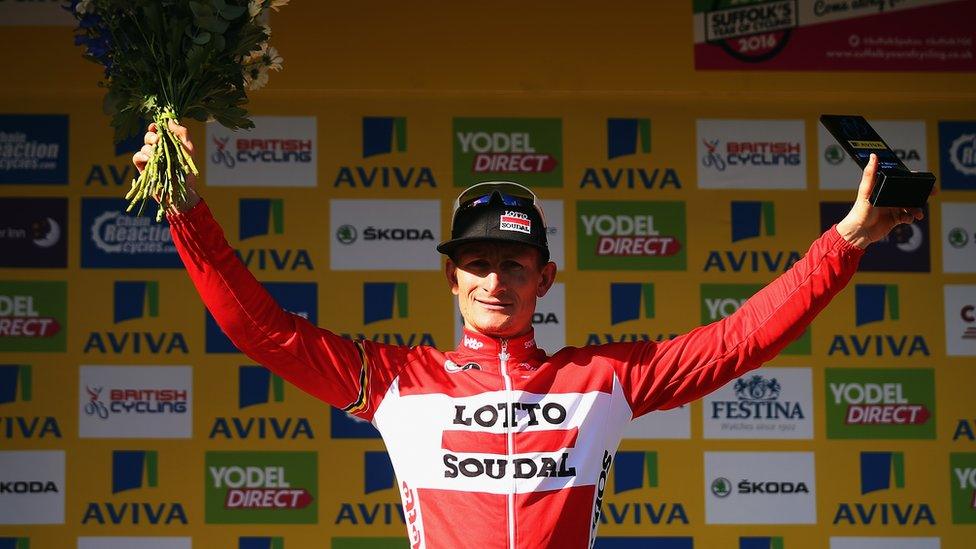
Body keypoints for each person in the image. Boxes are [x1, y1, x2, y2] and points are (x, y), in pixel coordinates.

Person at [135, 121, 924, 549]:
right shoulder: (399, 380)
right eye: (475, 263)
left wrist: (849, 236)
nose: (494, 280)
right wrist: (184, 209)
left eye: (514, 264)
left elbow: (740, 338)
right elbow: (261, 330)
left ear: (544, 278)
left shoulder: (600, 378)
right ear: (451, 278)